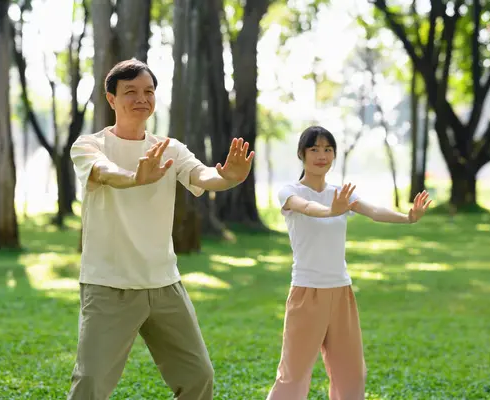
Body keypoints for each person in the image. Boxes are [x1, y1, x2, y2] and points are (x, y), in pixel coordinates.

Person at [67, 59, 254, 400]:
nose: (142, 98)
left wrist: (229, 177)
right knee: (91, 383)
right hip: (109, 284)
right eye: (131, 92)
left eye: (148, 91)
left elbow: (202, 176)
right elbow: (105, 173)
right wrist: (135, 177)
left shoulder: (170, 149)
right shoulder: (89, 146)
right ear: (111, 99)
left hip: (164, 284)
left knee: (198, 377)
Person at [266, 126, 431, 400]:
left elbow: (374, 211)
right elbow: (306, 207)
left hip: (342, 292)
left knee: (352, 374)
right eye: (314, 149)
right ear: (301, 154)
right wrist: (332, 211)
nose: (322, 155)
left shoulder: (340, 193)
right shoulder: (290, 191)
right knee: (293, 376)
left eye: (328, 149)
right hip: (307, 293)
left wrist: (408, 217)